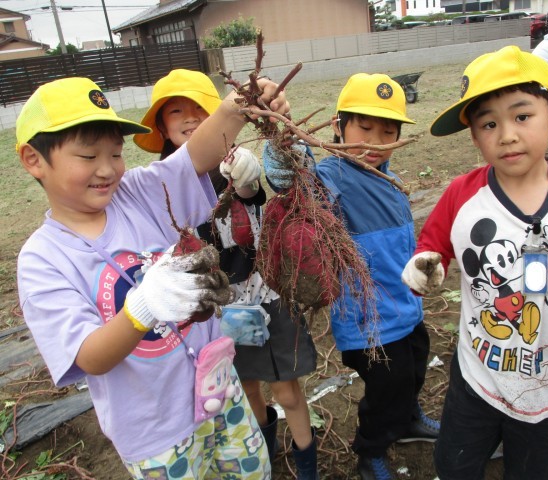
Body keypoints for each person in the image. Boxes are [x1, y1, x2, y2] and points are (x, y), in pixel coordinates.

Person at [16, 74, 289, 479]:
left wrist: (237, 108)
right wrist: (143, 306)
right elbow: (89, 356)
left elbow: (194, 157)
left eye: (115, 153)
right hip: (157, 432)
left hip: (220, 388)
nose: (107, 169)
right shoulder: (43, 260)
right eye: (88, 156)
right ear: (33, 159)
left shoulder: (135, 193)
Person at [402, 46, 548, 479]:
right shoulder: (462, 194)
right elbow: (433, 245)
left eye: (522, 116)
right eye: (489, 124)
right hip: (477, 375)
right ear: (474, 136)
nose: (506, 135)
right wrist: (423, 266)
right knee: (455, 465)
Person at [133, 68, 319, 479]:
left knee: (287, 390)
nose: (189, 117)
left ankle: (308, 466)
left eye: (200, 108)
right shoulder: (160, 186)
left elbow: (252, 193)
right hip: (219, 310)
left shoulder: (235, 163)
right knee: (245, 387)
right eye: (175, 110)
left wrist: (247, 181)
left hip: (266, 295)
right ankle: (263, 453)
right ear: (161, 127)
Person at [263, 73, 440, 480]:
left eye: (388, 132)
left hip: (406, 308)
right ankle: (370, 449)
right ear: (338, 125)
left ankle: (409, 419)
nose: (375, 142)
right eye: (365, 127)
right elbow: (293, 179)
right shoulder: (332, 177)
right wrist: (282, 142)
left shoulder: (390, 179)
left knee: (415, 367)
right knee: (386, 388)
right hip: (369, 321)